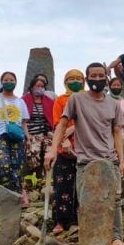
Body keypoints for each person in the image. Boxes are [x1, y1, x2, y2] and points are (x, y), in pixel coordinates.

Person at [45, 63, 124, 245]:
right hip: (85, 161)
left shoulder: (114, 104)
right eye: (93, 76)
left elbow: (117, 132)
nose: (97, 79)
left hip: (109, 159)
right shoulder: (76, 99)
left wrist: (122, 161)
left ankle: (116, 238)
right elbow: (62, 124)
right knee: (86, 201)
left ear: (106, 78)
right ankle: (91, 239)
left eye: (101, 75)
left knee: (115, 199)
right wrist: (53, 150)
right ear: (87, 79)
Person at [49, 69, 84, 235]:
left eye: (78, 78)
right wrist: (64, 139)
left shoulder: (88, 99)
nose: (75, 81)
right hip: (64, 148)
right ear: (65, 81)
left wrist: (74, 128)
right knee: (62, 184)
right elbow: (58, 124)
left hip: (85, 148)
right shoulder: (61, 100)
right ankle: (60, 221)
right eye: (71, 79)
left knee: (81, 186)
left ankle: (79, 219)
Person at [0, 72, 29, 194]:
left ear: (16, 82)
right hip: (0, 135)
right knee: (4, 165)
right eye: (6, 80)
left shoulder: (20, 102)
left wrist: (28, 138)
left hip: (18, 137)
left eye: (12, 80)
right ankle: (10, 194)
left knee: (17, 167)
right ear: (1, 82)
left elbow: (24, 123)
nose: (9, 82)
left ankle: (18, 194)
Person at [21, 76, 55, 181]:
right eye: (37, 86)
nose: (40, 88)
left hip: (47, 133)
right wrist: (27, 136)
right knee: (33, 152)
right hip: (31, 133)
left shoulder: (49, 101)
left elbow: (52, 119)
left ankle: (47, 179)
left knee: (50, 150)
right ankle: (34, 177)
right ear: (31, 87)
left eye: (42, 86)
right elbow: (22, 121)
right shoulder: (23, 100)